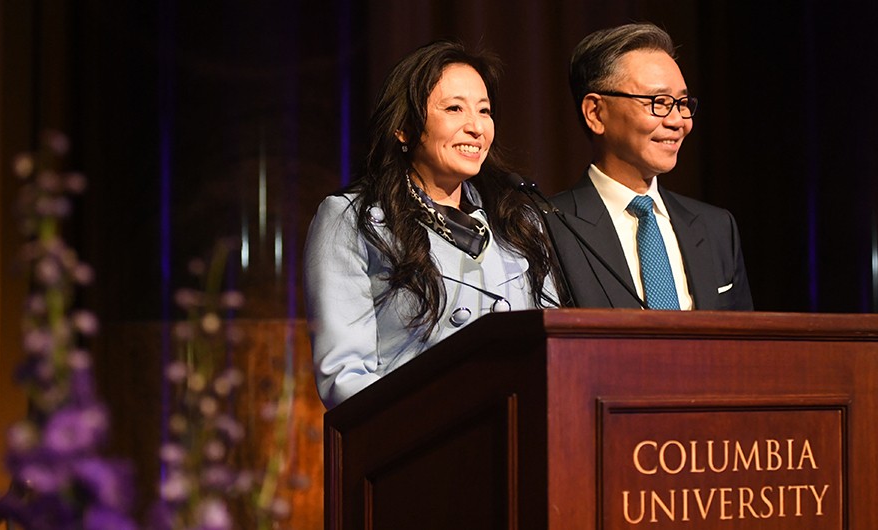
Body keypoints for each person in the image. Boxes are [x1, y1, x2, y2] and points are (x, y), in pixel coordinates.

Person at [304, 40, 564, 409]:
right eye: (454, 109)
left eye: (484, 110)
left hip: (521, 432)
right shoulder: (353, 220)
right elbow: (345, 376)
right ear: (405, 128)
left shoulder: (518, 220)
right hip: (420, 445)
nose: (476, 127)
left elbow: (553, 346)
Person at [548, 23, 753, 310]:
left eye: (682, 103)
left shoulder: (716, 227)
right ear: (596, 112)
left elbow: (744, 349)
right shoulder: (548, 227)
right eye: (659, 102)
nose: (678, 121)